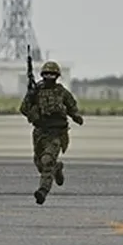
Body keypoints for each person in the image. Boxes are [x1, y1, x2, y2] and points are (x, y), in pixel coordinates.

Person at [19, 61, 84, 204]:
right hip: (40, 132)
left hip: (57, 133)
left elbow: (71, 105)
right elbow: (23, 109)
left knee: (47, 161)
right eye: (46, 74)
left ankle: (42, 191)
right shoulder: (36, 91)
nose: (49, 77)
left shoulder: (61, 92)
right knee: (39, 163)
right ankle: (56, 169)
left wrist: (76, 116)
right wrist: (31, 100)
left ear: (57, 76)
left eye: (52, 74)